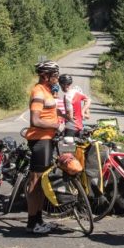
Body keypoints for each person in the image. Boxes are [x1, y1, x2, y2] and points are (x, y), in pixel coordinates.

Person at [24, 60, 62, 234]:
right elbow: (35, 120)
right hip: (40, 140)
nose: (57, 78)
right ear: (45, 76)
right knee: (36, 182)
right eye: (54, 75)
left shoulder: (47, 90)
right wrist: (55, 125)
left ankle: (39, 219)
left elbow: (50, 110)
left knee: (41, 183)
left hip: (46, 140)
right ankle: (32, 223)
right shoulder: (38, 92)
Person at [60, 74, 91, 139]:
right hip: (80, 126)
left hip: (71, 127)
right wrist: (83, 111)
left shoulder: (67, 96)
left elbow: (70, 116)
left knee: (67, 148)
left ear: (62, 85)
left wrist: (60, 114)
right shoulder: (76, 92)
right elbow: (89, 100)